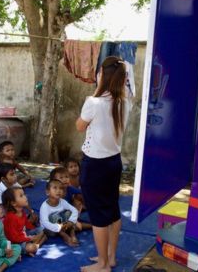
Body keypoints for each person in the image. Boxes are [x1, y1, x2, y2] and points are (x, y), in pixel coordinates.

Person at [76, 55, 132, 272]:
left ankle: (102, 264)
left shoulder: (94, 102)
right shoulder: (124, 102)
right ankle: (110, 257)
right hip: (113, 163)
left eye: (99, 72)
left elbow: (79, 126)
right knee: (113, 210)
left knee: (99, 216)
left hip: (95, 165)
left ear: (103, 76)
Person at [2, 187, 46, 257]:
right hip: (15, 242)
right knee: (31, 247)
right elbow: (13, 238)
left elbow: (27, 224)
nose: (25, 197)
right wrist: (30, 238)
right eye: (21, 196)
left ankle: (36, 245)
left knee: (43, 230)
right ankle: (35, 245)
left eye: (24, 194)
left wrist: (34, 232)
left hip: (24, 235)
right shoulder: (10, 218)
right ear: (13, 203)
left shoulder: (21, 211)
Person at [39, 179, 80, 247]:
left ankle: (73, 234)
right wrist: (59, 227)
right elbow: (45, 223)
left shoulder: (63, 201)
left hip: (64, 224)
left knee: (69, 212)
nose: (58, 191)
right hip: (51, 230)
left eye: (61, 188)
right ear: (47, 192)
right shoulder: (44, 207)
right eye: (55, 188)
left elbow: (74, 210)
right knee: (53, 217)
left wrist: (70, 222)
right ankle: (65, 236)